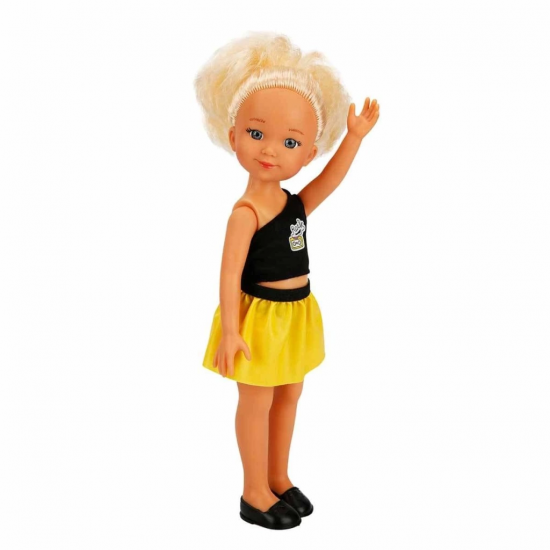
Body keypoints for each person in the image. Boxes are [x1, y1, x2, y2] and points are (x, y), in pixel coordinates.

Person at [194, 32, 380, 530]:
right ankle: (253, 490)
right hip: (258, 319)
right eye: (256, 133)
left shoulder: (294, 203)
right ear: (233, 134)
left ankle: (278, 477)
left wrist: (354, 138)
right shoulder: (246, 212)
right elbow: (228, 273)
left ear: (309, 151)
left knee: (288, 396)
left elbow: (329, 183)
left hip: (296, 312)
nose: (271, 151)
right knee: (256, 401)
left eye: (290, 142)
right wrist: (230, 330)